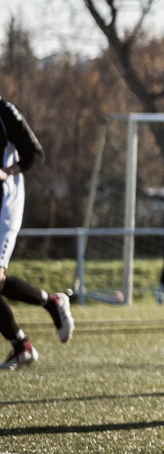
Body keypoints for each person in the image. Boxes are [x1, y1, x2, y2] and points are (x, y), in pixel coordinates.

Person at [0, 97, 74, 370]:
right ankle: (23, 344)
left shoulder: (4, 111)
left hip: (4, 206)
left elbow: (33, 154)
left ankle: (47, 310)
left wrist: (7, 172)